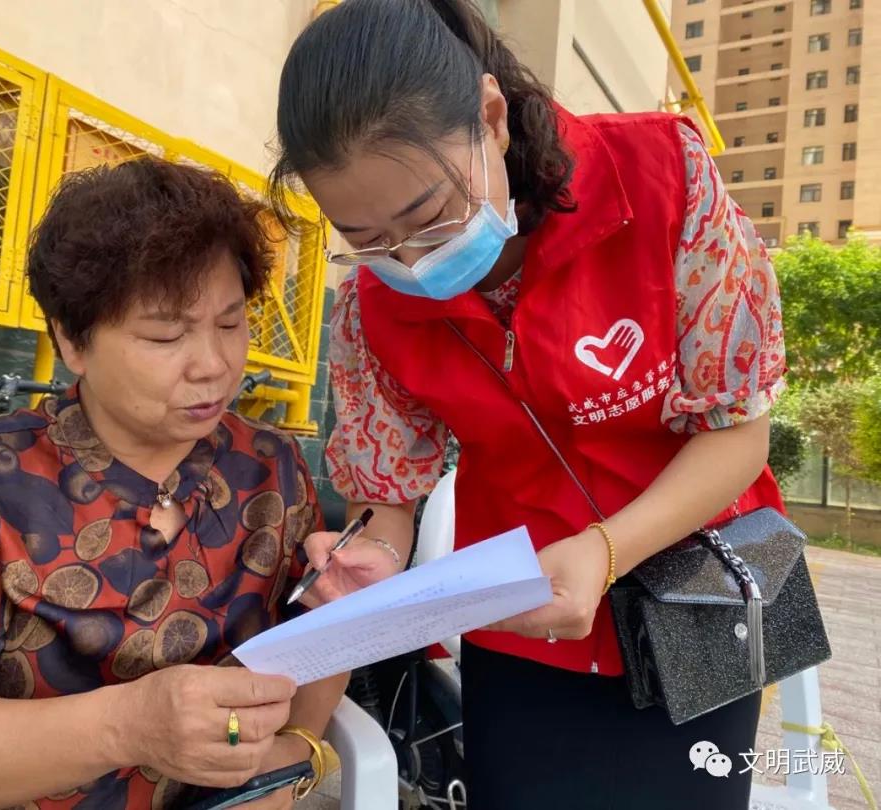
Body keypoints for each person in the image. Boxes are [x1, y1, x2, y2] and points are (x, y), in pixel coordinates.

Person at [271, 1, 787, 807]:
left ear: (491, 116)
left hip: (706, 586)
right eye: (367, 239)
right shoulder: (373, 306)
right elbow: (387, 494)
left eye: (427, 216)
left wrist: (606, 550)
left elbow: (739, 435)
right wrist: (373, 555)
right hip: (521, 609)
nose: (411, 260)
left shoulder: (662, 175)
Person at [0, 157, 347, 810]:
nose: (213, 365)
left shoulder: (271, 467)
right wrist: (130, 725)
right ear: (73, 341)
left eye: (231, 324)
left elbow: (311, 655)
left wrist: (290, 757)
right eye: (166, 334)